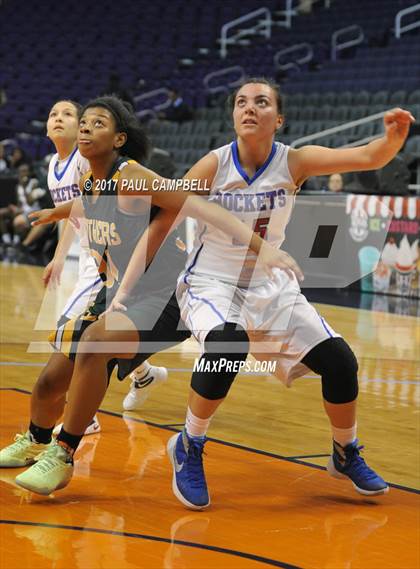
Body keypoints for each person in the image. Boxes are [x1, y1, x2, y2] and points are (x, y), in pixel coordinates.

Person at [0, 95, 300, 495]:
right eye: (83, 121)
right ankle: (36, 439)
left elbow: (198, 205)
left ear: (120, 138)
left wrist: (262, 248)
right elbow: (91, 203)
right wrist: (59, 212)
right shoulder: (92, 180)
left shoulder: (132, 176)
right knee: (49, 382)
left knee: (94, 345)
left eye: (97, 123)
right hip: (119, 292)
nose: (86, 127)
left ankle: (63, 453)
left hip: (165, 297)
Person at [161, 78, 414, 509]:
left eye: (261, 102)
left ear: (277, 119)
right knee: (227, 347)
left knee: (340, 362)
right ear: (233, 116)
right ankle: (190, 443)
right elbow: (167, 211)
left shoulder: (294, 161)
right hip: (213, 282)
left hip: (270, 284)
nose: (249, 109)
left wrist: (393, 138)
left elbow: (369, 156)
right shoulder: (214, 165)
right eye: (241, 102)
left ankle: (343, 451)